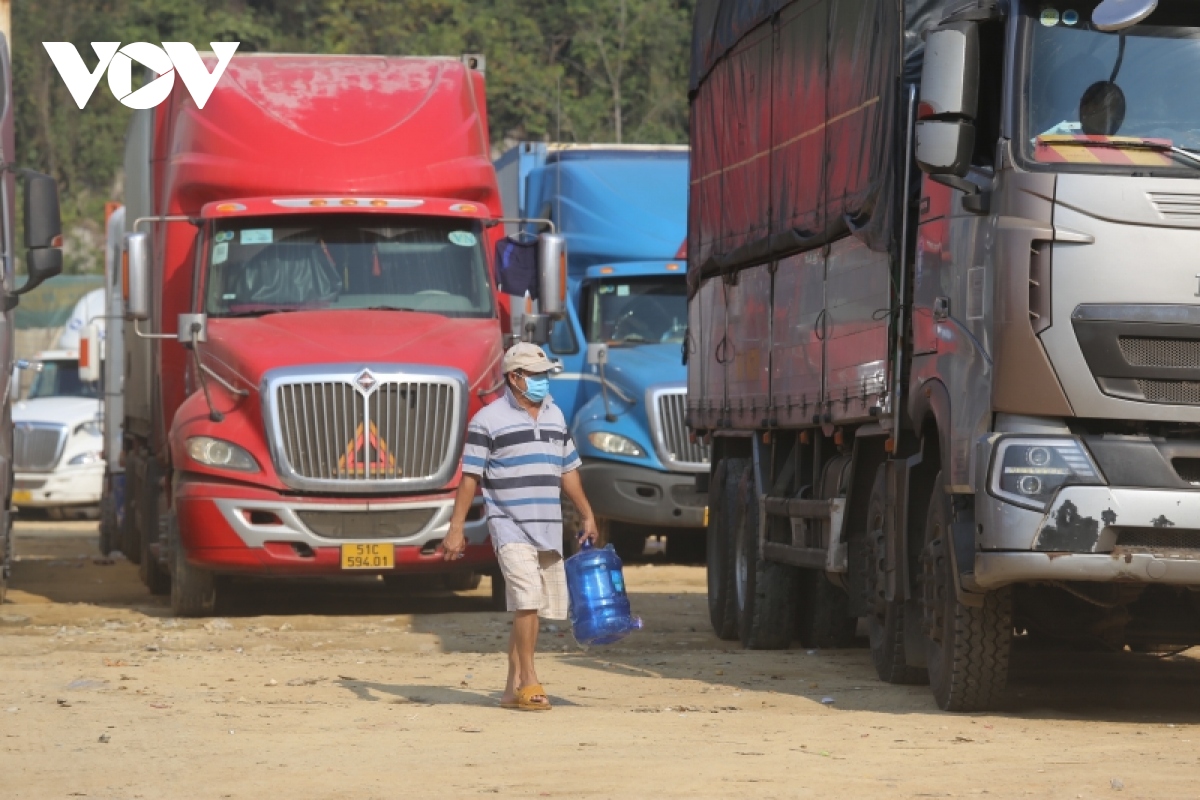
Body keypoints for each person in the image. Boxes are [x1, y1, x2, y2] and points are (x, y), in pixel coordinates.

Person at [441, 342, 599, 711]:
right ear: (515, 378)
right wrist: (456, 528)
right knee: (528, 599)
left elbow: (569, 470)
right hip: (508, 523)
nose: (544, 381)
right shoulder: (487, 421)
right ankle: (530, 679)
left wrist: (587, 513)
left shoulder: (556, 417)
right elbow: (470, 478)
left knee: (530, 607)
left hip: (547, 525)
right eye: (536, 375)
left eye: (545, 374)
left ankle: (511, 688)